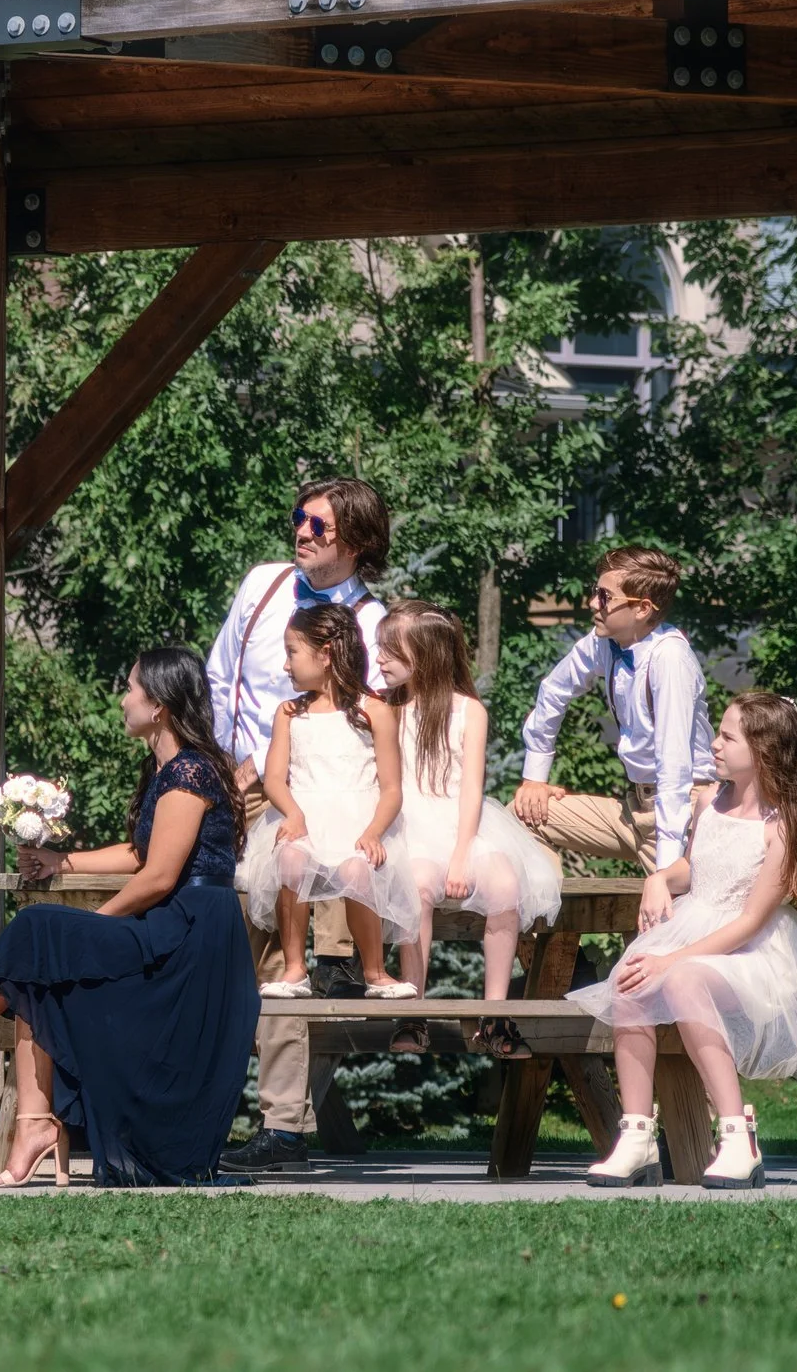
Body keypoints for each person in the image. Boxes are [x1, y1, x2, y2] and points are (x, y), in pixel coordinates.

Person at [0, 647, 258, 1188]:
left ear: (161, 705)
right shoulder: (169, 768)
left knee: (41, 934)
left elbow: (159, 876)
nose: (122, 699)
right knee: (41, 959)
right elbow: (141, 852)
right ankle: (30, 1122)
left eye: (130, 688)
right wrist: (64, 860)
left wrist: (97, 922)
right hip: (178, 928)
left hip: (193, 942)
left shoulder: (191, 771)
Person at [570, 691, 797, 1189]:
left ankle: (737, 1135)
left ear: (763, 751)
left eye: (727, 736)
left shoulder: (784, 827)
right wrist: (658, 879)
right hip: (697, 928)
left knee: (683, 979)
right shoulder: (710, 801)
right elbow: (695, 870)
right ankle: (636, 1136)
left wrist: (672, 960)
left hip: (752, 954)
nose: (714, 744)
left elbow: (752, 922)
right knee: (631, 978)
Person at [206, 477, 390, 1174]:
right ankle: (243, 1113)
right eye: (300, 517)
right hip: (250, 791)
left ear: (359, 542)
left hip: (336, 809)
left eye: (322, 525)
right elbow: (222, 676)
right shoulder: (262, 585)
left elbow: (378, 727)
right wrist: (240, 759)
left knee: (310, 975)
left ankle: (282, 1124)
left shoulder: (373, 624)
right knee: (240, 956)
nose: (304, 530)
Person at [371, 601, 561, 1051]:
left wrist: (461, 853)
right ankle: (411, 1010)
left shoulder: (468, 710)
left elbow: (471, 789)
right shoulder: (386, 709)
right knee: (415, 885)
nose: (378, 658)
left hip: (462, 823)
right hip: (407, 822)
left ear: (425, 653)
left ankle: (495, 1013)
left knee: (503, 884)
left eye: (388, 650)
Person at [513, 544, 717, 934]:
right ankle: (551, 933)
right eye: (596, 590)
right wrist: (535, 777)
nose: (593, 603)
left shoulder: (669, 659)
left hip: (681, 816)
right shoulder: (604, 641)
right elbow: (553, 691)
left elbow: (674, 771)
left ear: (642, 608)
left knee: (673, 946)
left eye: (605, 596)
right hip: (633, 810)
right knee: (522, 816)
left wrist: (665, 875)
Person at [235, 604, 403, 1000]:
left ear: (326, 654)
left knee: (357, 870)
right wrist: (293, 813)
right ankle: (296, 968)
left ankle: (375, 970)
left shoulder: (373, 711)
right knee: (291, 857)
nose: (285, 665)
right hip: (306, 816)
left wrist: (374, 832)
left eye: (292, 652)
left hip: (358, 819)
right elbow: (274, 778)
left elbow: (392, 788)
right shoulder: (290, 713)